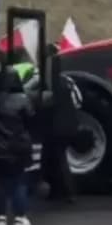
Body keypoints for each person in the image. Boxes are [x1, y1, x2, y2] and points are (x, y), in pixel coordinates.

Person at [0, 67, 34, 225]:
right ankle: (20, 217)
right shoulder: (23, 99)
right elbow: (30, 120)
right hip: (18, 148)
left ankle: (0, 217)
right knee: (19, 182)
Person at [43, 44, 78, 204]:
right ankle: (59, 191)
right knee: (57, 157)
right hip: (70, 123)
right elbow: (78, 102)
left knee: (57, 158)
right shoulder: (68, 79)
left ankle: (65, 192)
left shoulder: (49, 80)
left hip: (56, 125)